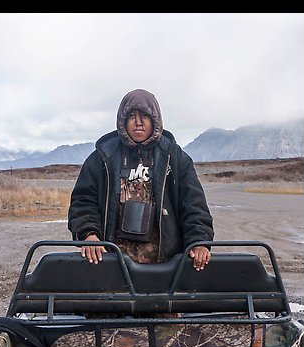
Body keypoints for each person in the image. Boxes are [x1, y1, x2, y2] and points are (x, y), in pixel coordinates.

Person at [68, 88, 214, 271]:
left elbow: (194, 205)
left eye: (144, 116)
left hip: (166, 265)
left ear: (155, 119)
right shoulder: (102, 157)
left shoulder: (175, 158)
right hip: (111, 262)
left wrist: (199, 241)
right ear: (122, 121)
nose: (138, 123)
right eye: (131, 116)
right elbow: (83, 201)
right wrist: (88, 234)